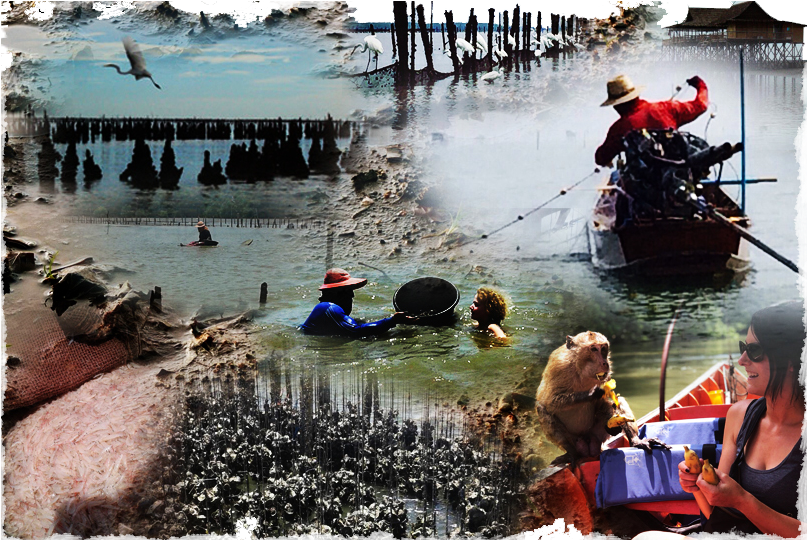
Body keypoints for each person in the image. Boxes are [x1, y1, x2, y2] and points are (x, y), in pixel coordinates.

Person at [633, 301, 807, 540]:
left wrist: (744, 501)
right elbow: (719, 515)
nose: (743, 359)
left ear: (790, 363)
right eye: (743, 347)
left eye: (755, 351)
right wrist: (698, 487)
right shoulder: (740, 415)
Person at [595, 74, 709, 168]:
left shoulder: (619, 128)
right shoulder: (667, 108)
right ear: (636, 96)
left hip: (647, 185)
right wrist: (700, 85)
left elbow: (600, 158)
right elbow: (701, 105)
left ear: (617, 105)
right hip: (680, 171)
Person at [300, 268, 413, 337]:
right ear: (336, 292)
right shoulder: (328, 308)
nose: (352, 295)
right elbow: (356, 331)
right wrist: (392, 321)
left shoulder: (326, 310)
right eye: (348, 291)